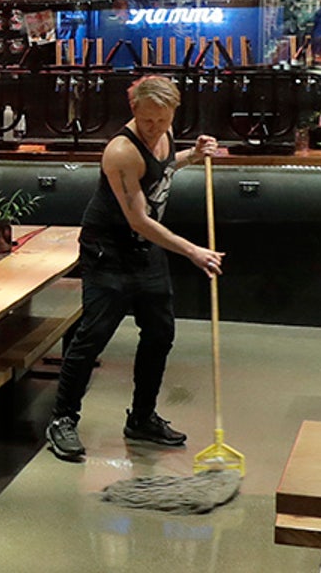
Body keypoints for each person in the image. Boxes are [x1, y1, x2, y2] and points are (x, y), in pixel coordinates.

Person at [45, 75, 223, 463]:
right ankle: (62, 420)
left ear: (173, 112)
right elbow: (139, 219)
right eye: (147, 121)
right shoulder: (121, 151)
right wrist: (193, 251)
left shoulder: (165, 131)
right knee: (92, 337)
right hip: (108, 251)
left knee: (160, 334)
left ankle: (142, 418)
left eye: (162, 120)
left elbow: (160, 169)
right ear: (134, 110)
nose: (154, 127)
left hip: (146, 250)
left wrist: (193, 155)